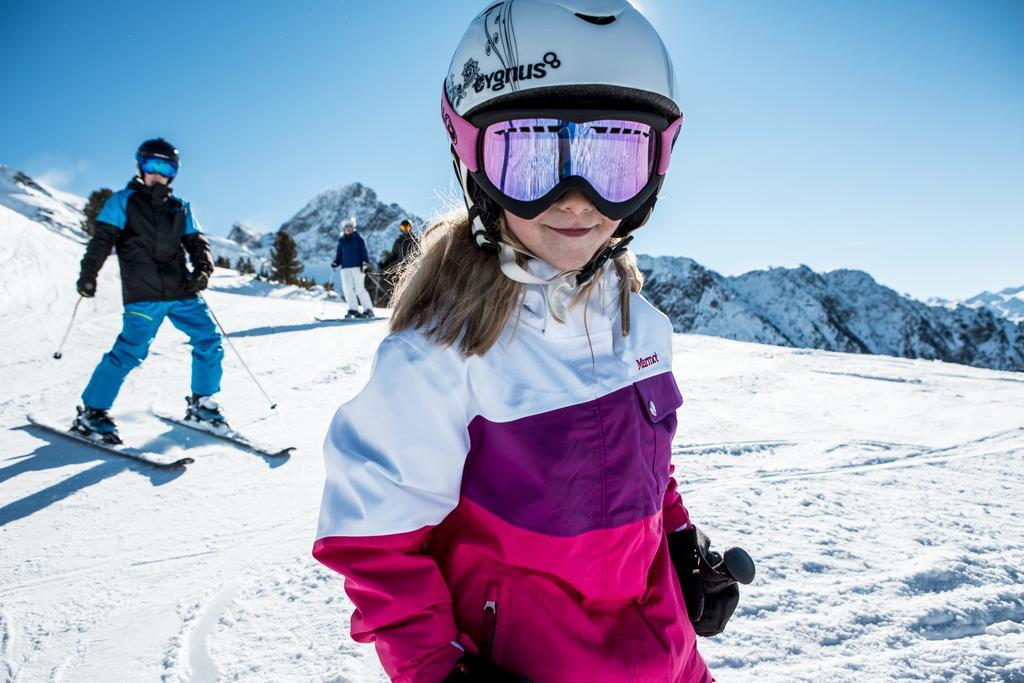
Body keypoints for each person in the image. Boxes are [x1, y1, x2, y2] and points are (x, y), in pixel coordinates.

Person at [313, 2, 753, 681]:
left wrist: (681, 543)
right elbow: (373, 539)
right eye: (531, 157)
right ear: (473, 161)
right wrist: (437, 667)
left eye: (611, 158)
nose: (576, 200)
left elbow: (649, 472)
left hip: (671, 659)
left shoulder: (643, 326)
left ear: (656, 166)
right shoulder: (441, 355)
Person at [74, 138, 226, 443]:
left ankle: (202, 404)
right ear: (139, 167)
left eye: (165, 167)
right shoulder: (122, 201)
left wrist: (203, 268)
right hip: (143, 293)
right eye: (151, 165)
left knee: (209, 340)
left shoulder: (180, 207)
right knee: (129, 352)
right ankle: (92, 412)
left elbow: (197, 243)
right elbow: (102, 240)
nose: (157, 173)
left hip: (181, 290)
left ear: (173, 173)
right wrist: (88, 273)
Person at [331, 217, 374, 318]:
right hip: (345, 268)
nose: (348, 228)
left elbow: (364, 252)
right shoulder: (341, 241)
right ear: (343, 228)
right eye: (346, 227)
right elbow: (339, 255)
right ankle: (353, 309)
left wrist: (365, 263)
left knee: (359, 288)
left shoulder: (359, 239)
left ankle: (368, 309)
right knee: (347, 289)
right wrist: (336, 262)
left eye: (350, 226)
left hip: (357, 267)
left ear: (353, 227)